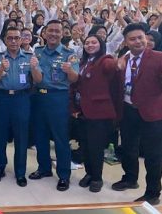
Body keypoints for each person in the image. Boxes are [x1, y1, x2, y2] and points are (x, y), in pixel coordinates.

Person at [113, 23, 162, 205]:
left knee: (153, 155)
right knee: (128, 148)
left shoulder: (158, 58)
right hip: (128, 111)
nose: (138, 41)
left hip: (152, 114)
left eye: (140, 37)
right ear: (126, 42)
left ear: (146, 38)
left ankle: (152, 193)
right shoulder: (123, 59)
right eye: (132, 39)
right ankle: (130, 179)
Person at [29, 20, 79, 191]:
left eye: (57, 31)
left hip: (58, 99)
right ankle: (44, 168)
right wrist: (34, 68)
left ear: (62, 33)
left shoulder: (69, 54)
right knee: (40, 136)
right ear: (44, 33)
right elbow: (37, 79)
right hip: (39, 97)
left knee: (60, 138)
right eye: (50, 31)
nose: (54, 34)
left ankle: (64, 175)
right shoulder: (37, 52)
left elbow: (74, 79)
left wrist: (69, 71)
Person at [0, 27, 42, 187]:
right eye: (10, 38)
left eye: (16, 38)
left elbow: (39, 80)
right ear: (5, 40)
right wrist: (1, 69)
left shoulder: (29, 57)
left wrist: (34, 67)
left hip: (21, 99)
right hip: (2, 98)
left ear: (21, 40)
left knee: (21, 137)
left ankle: (20, 172)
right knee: (0, 136)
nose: (13, 41)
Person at [70, 35, 118, 193]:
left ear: (101, 44)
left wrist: (119, 63)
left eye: (94, 42)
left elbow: (112, 67)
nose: (90, 45)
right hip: (82, 111)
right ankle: (89, 173)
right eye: (87, 43)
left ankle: (97, 177)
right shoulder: (83, 62)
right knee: (85, 146)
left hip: (98, 113)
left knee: (96, 148)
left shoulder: (105, 60)